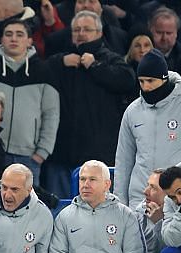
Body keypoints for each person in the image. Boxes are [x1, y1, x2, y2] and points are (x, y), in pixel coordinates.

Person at [44, 11, 135, 198]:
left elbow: (127, 80)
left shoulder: (110, 59)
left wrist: (95, 66)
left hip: (99, 152)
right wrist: (59, 61)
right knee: (62, 207)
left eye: (87, 29)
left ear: (99, 33)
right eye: (76, 29)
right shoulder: (62, 60)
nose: (81, 33)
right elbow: (38, 71)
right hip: (64, 152)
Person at [115, 49, 181, 209]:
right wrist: (121, 203)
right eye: (141, 81)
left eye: (150, 81)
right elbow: (123, 160)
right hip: (140, 197)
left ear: (164, 78)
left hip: (177, 197)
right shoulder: (132, 111)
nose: (145, 87)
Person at [0, 19, 60, 185]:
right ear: (1, 39)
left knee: (26, 207)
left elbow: (51, 114)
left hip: (28, 157)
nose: (14, 39)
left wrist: (42, 152)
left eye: (20, 34)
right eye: (8, 34)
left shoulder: (43, 70)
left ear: (29, 40)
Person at [148, 7, 181, 80]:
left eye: (169, 33)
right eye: (159, 32)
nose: (164, 38)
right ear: (150, 30)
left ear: (176, 33)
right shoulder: (141, 53)